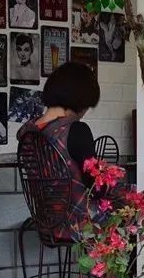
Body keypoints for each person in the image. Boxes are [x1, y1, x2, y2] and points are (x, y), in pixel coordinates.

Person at [17, 62, 103, 240]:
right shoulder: (77, 130)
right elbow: (97, 187)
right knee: (136, 207)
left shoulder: (28, 133)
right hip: (79, 224)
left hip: (46, 223)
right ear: (80, 99)